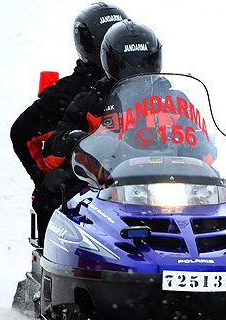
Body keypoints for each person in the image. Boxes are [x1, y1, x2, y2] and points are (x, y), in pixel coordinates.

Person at [9, 3, 128, 246]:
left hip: (140, 180)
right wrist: (43, 175)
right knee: (53, 190)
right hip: (87, 184)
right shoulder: (69, 92)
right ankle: (50, 263)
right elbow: (21, 133)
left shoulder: (149, 89)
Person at [35, 19, 163, 241]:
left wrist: (200, 144)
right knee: (53, 191)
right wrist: (71, 139)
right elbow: (52, 150)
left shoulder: (172, 99)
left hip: (165, 183)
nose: (137, 70)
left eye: (144, 62)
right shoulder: (89, 103)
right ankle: (53, 257)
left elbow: (202, 142)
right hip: (102, 185)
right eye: (128, 63)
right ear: (110, 61)